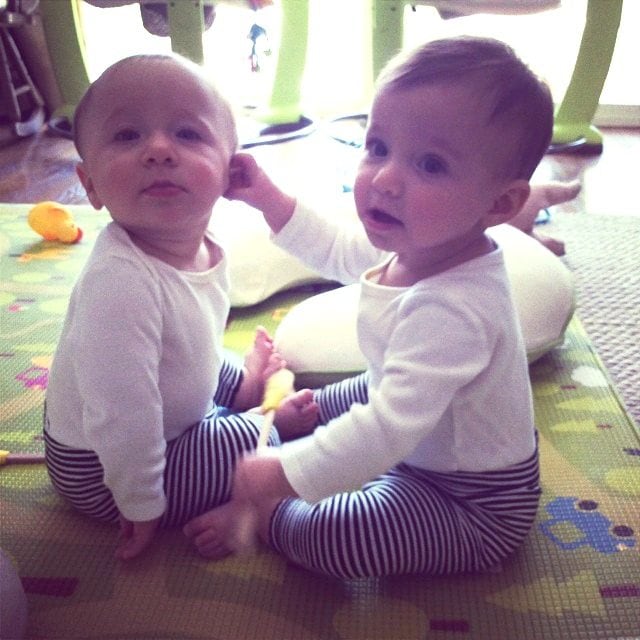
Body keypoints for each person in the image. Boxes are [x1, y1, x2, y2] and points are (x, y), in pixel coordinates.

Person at [184, 36, 553, 579]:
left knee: (334, 536)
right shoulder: (420, 241)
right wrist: (267, 197)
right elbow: (335, 249)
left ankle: (271, 519)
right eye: (378, 146)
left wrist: (283, 476)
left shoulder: (456, 308)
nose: (383, 177)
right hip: (421, 429)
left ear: (499, 204)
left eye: (430, 164)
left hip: (468, 502)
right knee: (333, 396)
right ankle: (298, 438)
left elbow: (386, 428)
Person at [43, 53, 314, 562]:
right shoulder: (119, 285)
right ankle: (268, 422)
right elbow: (122, 415)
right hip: (105, 468)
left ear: (231, 171)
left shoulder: (205, 245)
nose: (159, 150)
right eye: (128, 136)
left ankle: (246, 390)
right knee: (246, 442)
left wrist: (230, 381)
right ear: (91, 186)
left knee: (214, 356)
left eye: (188, 135)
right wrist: (141, 503)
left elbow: (191, 346)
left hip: (161, 413)